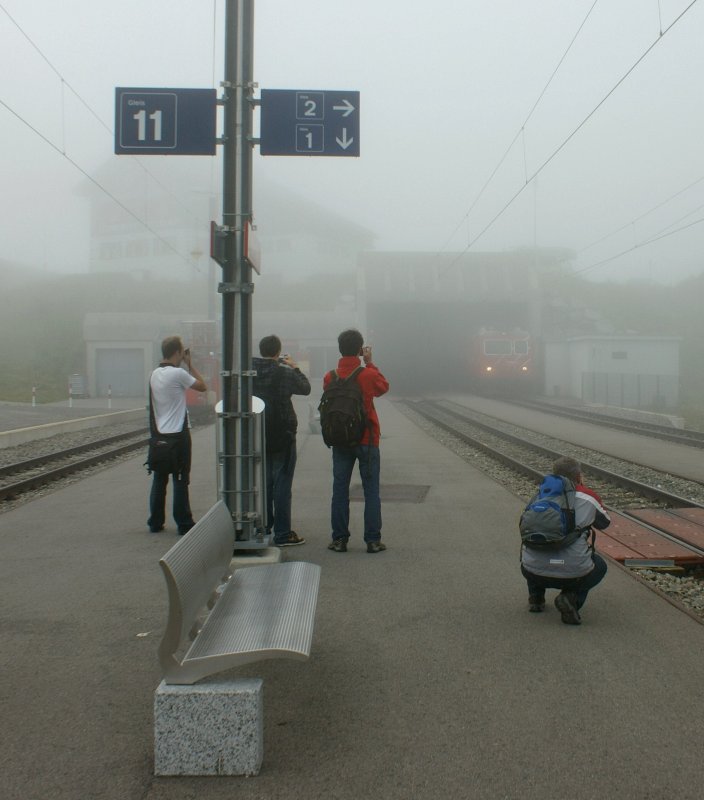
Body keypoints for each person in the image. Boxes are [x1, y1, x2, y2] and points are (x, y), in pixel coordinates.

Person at [520, 456, 610, 625]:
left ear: (555, 474)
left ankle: (536, 598)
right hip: (571, 571)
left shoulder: (540, 494)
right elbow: (604, 523)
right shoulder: (589, 497)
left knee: (536, 546)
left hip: (532, 569)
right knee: (600, 566)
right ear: (578, 476)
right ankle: (570, 598)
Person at [326, 329, 390, 554]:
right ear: (359, 350)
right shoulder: (367, 375)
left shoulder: (330, 377)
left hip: (340, 440)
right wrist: (369, 362)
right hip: (367, 440)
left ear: (340, 349)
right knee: (371, 491)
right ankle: (372, 541)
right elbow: (383, 387)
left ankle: (339, 540)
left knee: (340, 490)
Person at [252, 335, 311, 547]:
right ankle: (283, 533)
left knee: (266, 482)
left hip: (259, 432)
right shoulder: (285, 372)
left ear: (261, 351)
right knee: (282, 483)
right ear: (278, 352)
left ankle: (265, 526)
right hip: (283, 433)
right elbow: (305, 388)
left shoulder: (250, 372)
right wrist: (295, 367)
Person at [147, 335, 207, 534]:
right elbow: (202, 386)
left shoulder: (153, 374)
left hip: (159, 436)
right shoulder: (179, 373)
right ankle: (184, 522)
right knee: (180, 479)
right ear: (177, 352)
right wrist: (190, 364)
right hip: (178, 435)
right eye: (182, 352)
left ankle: (155, 522)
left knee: (159, 479)